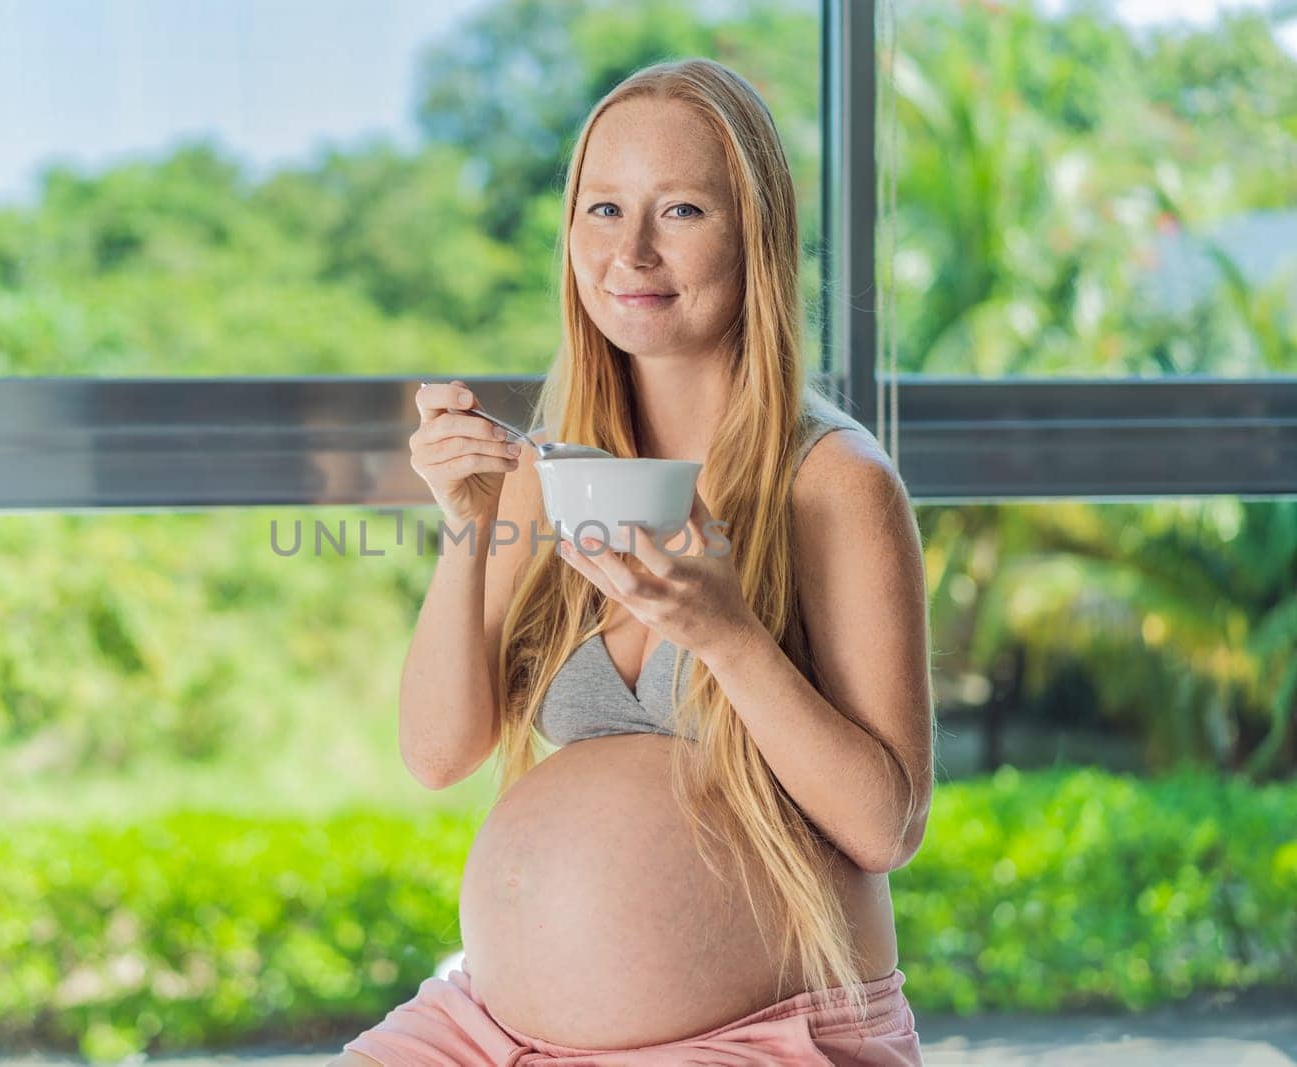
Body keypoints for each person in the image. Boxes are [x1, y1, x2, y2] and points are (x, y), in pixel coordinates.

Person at [332, 56, 932, 1066]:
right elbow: (438, 753)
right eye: (603, 208)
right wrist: (469, 525)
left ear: (756, 237)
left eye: (683, 210)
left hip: (757, 1030)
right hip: (487, 1023)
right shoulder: (549, 473)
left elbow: (885, 826)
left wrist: (728, 633)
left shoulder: (833, 484)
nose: (632, 252)